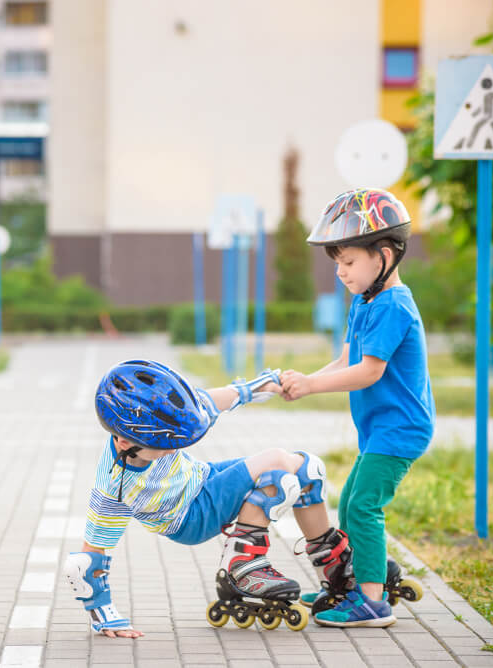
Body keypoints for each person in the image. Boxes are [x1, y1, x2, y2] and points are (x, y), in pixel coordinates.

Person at [62, 359, 354, 637]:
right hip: (190, 518)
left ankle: (333, 567)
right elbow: (89, 561)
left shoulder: (152, 424)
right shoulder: (115, 486)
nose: (172, 448)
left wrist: (260, 385)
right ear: (125, 442)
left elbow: (210, 402)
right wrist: (102, 615)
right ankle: (241, 568)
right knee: (277, 470)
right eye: (164, 445)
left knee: (307, 469)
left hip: (202, 478)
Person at [279, 188, 435, 628]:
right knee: (351, 503)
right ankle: (353, 582)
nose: (341, 273)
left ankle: (371, 602)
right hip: (379, 426)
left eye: (348, 263)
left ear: (383, 255)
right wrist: (304, 380)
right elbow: (347, 361)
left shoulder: (394, 305)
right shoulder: (365, 301)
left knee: (362, 504)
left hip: (400, 428)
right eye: (337, 265)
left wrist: (312, 387)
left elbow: (368, 372)